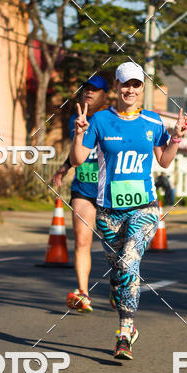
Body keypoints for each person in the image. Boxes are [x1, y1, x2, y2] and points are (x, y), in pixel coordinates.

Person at [71, 61, 187, 360]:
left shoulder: (152, 122)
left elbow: (164, 160)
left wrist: (176, 137)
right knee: (118, 270)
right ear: (117, 87)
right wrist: (78, 132)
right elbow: (76, 159)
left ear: (142, 88)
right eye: (126, 84)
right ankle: (117, 289)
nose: (130, 89)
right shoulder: (99, 121)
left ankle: (125, 332)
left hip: (145, 207)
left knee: (128, 264)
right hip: (109, 212)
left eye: (136, 84)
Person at [52, 76, 108, 313]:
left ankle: (119, 287)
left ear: (105, 95)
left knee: (115, 247)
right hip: (83, 188)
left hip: (110, 191)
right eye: (86, 89)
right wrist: (65, 167)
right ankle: (83, 293)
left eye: (95, 90)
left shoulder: (112, 120)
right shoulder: (75, 119)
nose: (89, 93)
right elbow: (78, 152)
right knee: (82, 240)